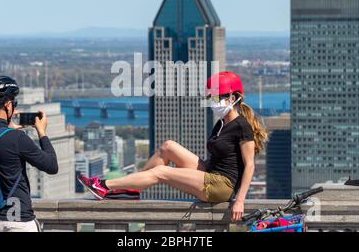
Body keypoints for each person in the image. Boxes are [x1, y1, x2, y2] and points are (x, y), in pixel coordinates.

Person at [78, 71, 268, 221]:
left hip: (222, 185)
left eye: (218, 97)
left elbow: (249, 165)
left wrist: (240, 201)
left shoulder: (242, 125)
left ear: (234, 97)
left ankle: (103, 186)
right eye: (212, 97)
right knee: (168, 146)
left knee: (162, 172)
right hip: (210, 172)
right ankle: (133, 189)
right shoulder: (221, 123)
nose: (214, 102)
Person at [0, 76, 58, 232]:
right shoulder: (17, 138)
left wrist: (7, 130)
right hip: (18, 220)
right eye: (14, 102)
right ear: (8, 105)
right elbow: (51, 166)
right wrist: (42, 133)